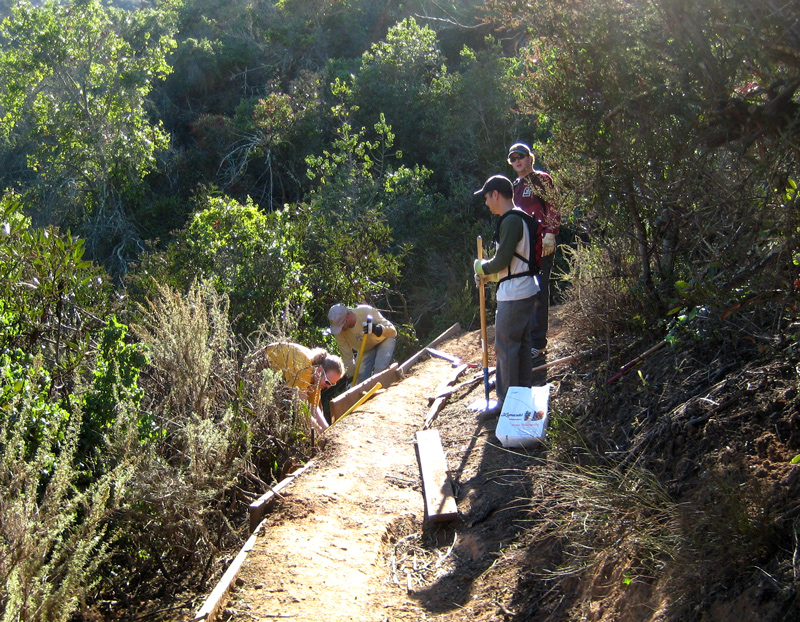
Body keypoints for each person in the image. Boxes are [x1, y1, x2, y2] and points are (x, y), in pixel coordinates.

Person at [473, 174, 539, 413]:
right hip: (523, 288)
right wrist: (490, 276)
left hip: (515, 294)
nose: (486, 202)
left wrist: (482, 267)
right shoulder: (518, 217)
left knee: (506, 348)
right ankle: (521, 396)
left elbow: (502, 260)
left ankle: (505, 403)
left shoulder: (510, 220)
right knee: (520, 346)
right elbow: (514, 263)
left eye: (487, 197)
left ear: (496, 195)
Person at [507, 142, 560, 360]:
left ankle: (538, 343)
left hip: (540, 245)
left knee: (538, 293)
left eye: (521, 156)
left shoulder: (541, 179)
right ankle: (526, 339)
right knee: (523, 292)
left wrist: (551, 233)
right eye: (513, 158)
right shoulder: (515, 187)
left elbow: (554, 205)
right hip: (519, 248)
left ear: (530, 158)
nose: (517, 160)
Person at [263, 342, 344, 432]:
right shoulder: (304, 367)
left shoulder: (315, 375)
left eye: (332, 384)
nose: (328, 386)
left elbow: (314, 407)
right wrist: (320, 432)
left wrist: (328, 431)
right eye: (327, 382)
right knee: (280, 409)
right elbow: (301, 407)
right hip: (262, 365)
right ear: (320, 370)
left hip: (277, 376)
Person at [328, 303, 397, 385]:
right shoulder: (339, 332)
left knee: (379, 371)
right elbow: (346, 355)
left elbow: (393, 331)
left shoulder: (365, 311)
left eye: (341, 326)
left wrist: (376, 329)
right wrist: (352, 376)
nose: (340, 329)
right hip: (365, 349)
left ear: (348, 318)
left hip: (384, 340)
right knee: (360, 381)